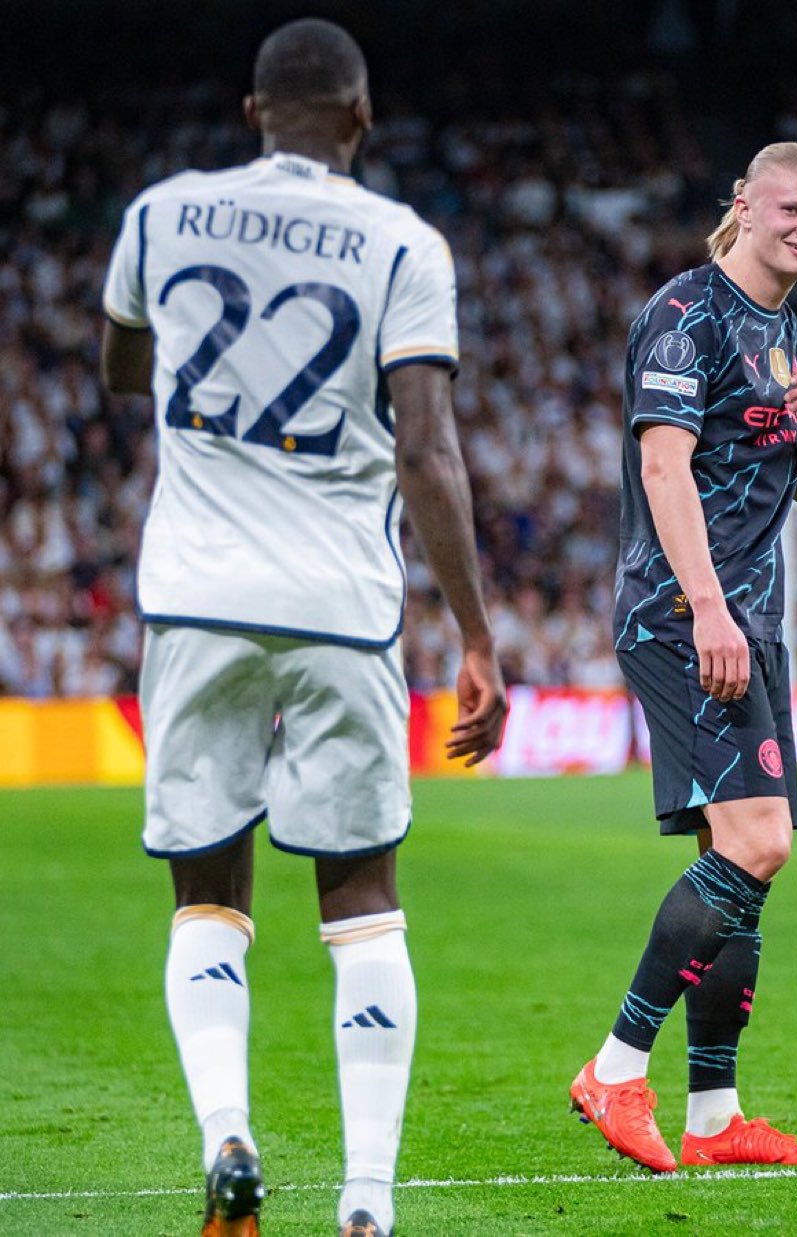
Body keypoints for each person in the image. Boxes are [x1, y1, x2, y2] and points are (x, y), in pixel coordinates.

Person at [101, 19, 507, 1237]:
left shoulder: (162, 214)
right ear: (364, 118)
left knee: (207, 895)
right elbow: (427, 452)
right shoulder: (401, 244)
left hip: (196, 593)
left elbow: (127, 368)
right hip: (339, 604)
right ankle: (368, 1201)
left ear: (249, 113)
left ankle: (227, 1135)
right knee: (362, 897)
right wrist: (476, 635)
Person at [570, 142, 797, 1171]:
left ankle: (712, 1115)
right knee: (756, 843)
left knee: (739, 862)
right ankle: (612, 1065)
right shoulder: (684, 314)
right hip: (687, 619)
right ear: (742, 205)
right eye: (790, 208)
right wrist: (706, 608)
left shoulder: (781, 329)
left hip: (749, 624)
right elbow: (662, 462)